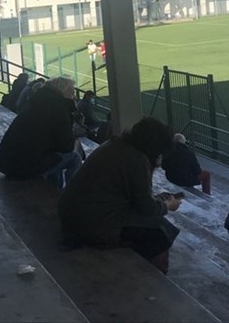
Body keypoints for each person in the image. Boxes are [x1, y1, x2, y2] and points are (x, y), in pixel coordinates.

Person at [58, 117, 182, 274]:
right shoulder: (137, 159)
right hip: (89, 223)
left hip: (73, 214)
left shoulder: (115, 145)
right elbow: (146, 208)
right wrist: (168, 205)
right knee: (162, 233)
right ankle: (149, 275)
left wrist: (156, 199)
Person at [0, 77, 83, 189]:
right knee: (74, 158)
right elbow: (67, 146)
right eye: (72, 92)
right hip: (21, 166)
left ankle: (55, 189)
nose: (75, 97)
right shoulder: (58, 107)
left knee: (54, 157)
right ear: (65, 92)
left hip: (6, 161)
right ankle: (74, 194)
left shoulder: (37, 101)